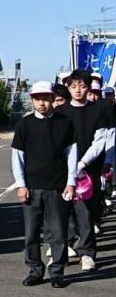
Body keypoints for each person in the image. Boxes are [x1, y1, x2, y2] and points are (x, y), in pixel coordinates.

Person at [12, 81, 77, 288]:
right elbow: (18, 156)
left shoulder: (64, 122)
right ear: (32, 100)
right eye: (37, 98)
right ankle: (35, 270)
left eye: (46, 98)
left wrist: (71, 182)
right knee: (31, 233)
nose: (42, 103)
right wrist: (20, 185)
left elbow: (71, 154)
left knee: (58, 232)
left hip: (57, 187)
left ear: (52, 99)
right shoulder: (25, 124)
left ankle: (57, 271)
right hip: (31, 187)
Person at [53, 70, 110, 271]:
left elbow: (100, 140)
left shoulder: (98, 110)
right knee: (62, 210)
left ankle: (87, 252)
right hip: (63, 170)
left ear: (89, 87)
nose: (78, 90)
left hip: (88, 169)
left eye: (82, 86)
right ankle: (63, 247)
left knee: (86, 212)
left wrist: (83, 163)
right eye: (74, 86)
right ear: (68, 87)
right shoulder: (60, 112)